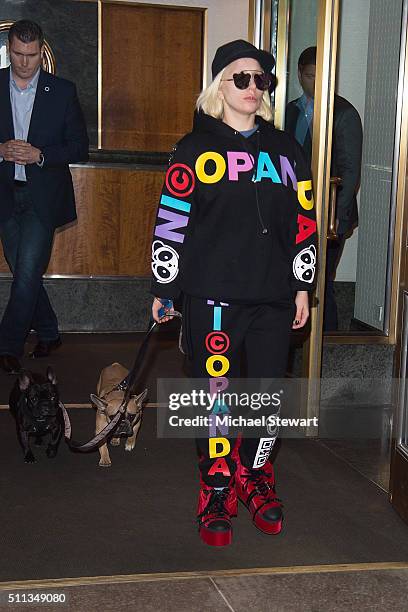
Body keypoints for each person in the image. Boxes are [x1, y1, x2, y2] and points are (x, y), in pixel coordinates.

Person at [150, 39, 316, 546]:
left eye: (260, 80)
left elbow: (305, 222)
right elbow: (173, 219)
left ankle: (256, 476)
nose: (252, 87)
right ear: (218, 85)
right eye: (240, 78)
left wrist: (303, 286)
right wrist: (165, 287)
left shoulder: (288, 150)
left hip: (272, 297)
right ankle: (217, 487)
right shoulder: (193, 149)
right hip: (214, 299)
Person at [0, 20, 89, 374]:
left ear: (42, 50)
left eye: (32, 55)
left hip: (43, 200)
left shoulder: (63, 90)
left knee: (24, 276)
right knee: (27, 272)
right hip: (6, 196)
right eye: (18, 55)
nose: (25, 63)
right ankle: (49, 333)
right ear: (9, 49)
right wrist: (1, 149)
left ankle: (8, 345)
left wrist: (40, 155)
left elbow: (79, 147)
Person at [286, 46, 363, 330]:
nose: (315, 83)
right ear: (298, 75)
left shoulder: (344, 113)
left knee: (320, 281)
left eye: (322, 76)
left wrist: (334, 220)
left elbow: (350, 172)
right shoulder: (289, 110)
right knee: (294, 279)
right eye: (309, 76)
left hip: (329, 215)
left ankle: (326, 347)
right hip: (293, 212)